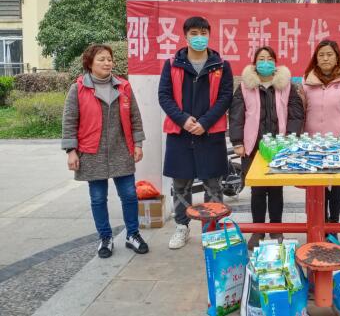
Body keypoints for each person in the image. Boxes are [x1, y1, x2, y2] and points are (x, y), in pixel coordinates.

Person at [62, 44, 148, 258]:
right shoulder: (78, 88)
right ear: (89, 63)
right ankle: (105, 238)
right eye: (101, 59)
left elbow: (135, 117)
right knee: (98, 198)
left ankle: (133, 234)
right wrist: (71, 150)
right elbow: (69, 121)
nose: (107, 63)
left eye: (109, 59)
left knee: (129, 195)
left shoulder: (123, 86)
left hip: (121, 149)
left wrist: (138, 144)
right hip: (92, 152)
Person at [158, 16, 234, 250]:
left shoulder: (221, 65)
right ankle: (182, 227)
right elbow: (164, 96)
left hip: (210, 133)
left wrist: (205, 122)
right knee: (181, 183)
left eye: (203, 33)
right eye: (194, 33)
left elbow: (225, 97)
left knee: (213, 183)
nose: (199, 37)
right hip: (180, 133)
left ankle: (212, 229)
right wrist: (183, 120)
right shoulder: (172, 64)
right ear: (185, 36)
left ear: (209, 35)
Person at [229, 46, 304, 250]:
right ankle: (258, 231)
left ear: (275, 62)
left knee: (277, 190)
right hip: (253, 147)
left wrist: (291, 138)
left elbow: (296, 113)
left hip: (278, 148)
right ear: (255, 63)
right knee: (257, 191)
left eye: (269, 58)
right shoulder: (245, 86)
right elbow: (236, 115)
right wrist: (237, 142)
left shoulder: (286, 85)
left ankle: (276, 229)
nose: (265, 62)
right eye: (261, 59)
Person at [300, 40, 340, 229]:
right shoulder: (306, 82)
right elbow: (300, 113)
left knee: (337, 188)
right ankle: (320, 226)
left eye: (329, 54)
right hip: (312, 145)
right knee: (316, 189)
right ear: (316, 58)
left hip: (339, 145)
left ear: (337, 57)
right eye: (321, 55)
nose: (325, 58)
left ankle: (334, 226)